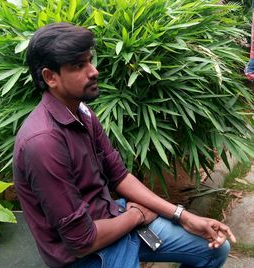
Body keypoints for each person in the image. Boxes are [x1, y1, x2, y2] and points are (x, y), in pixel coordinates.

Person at [13, 22, 236, 268]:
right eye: (79, 65)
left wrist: (184, 216)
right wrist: (136, 216)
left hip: (112, 217)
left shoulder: (82, 112)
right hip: (85, 254)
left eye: (90, 60)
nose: (93, 71)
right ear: (50, 77)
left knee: (214, 249)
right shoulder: (43, 142)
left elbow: (118, 175)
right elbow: (81, 240)